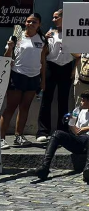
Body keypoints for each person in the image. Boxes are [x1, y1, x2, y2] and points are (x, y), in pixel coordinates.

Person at [32, 88, 89, 183]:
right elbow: (77, 132)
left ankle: (88, 168)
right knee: (57, 133)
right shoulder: (80, 111)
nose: (81, 102)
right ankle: (44, 167)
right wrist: (70, 122)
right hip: (81, 141)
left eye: (83, 100)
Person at [1, 13, 49, 149]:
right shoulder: (17, 35)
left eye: (34, 22)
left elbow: (43, 61)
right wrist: (10, 48)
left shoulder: (42, 39)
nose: (30, 24)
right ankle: (1, 138)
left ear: (39, 24)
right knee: (10, 107)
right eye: (28, 21)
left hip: (34, 77)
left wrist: (43, 80)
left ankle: (19, 136)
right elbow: (7, 57)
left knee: (25, 108)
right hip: (17, 75)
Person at [37, 9, 75, 143]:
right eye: (53, 17)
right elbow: (45, 53)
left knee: (63, 100)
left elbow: (78, 54)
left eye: (56, 17)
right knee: (46, 99)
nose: (53, 20)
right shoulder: (51, 33)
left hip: (66, 67)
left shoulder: (73, 33)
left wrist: (74, 69)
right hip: (51, 67)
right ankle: (42, 131)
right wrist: (45, 40)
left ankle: (62, 130)